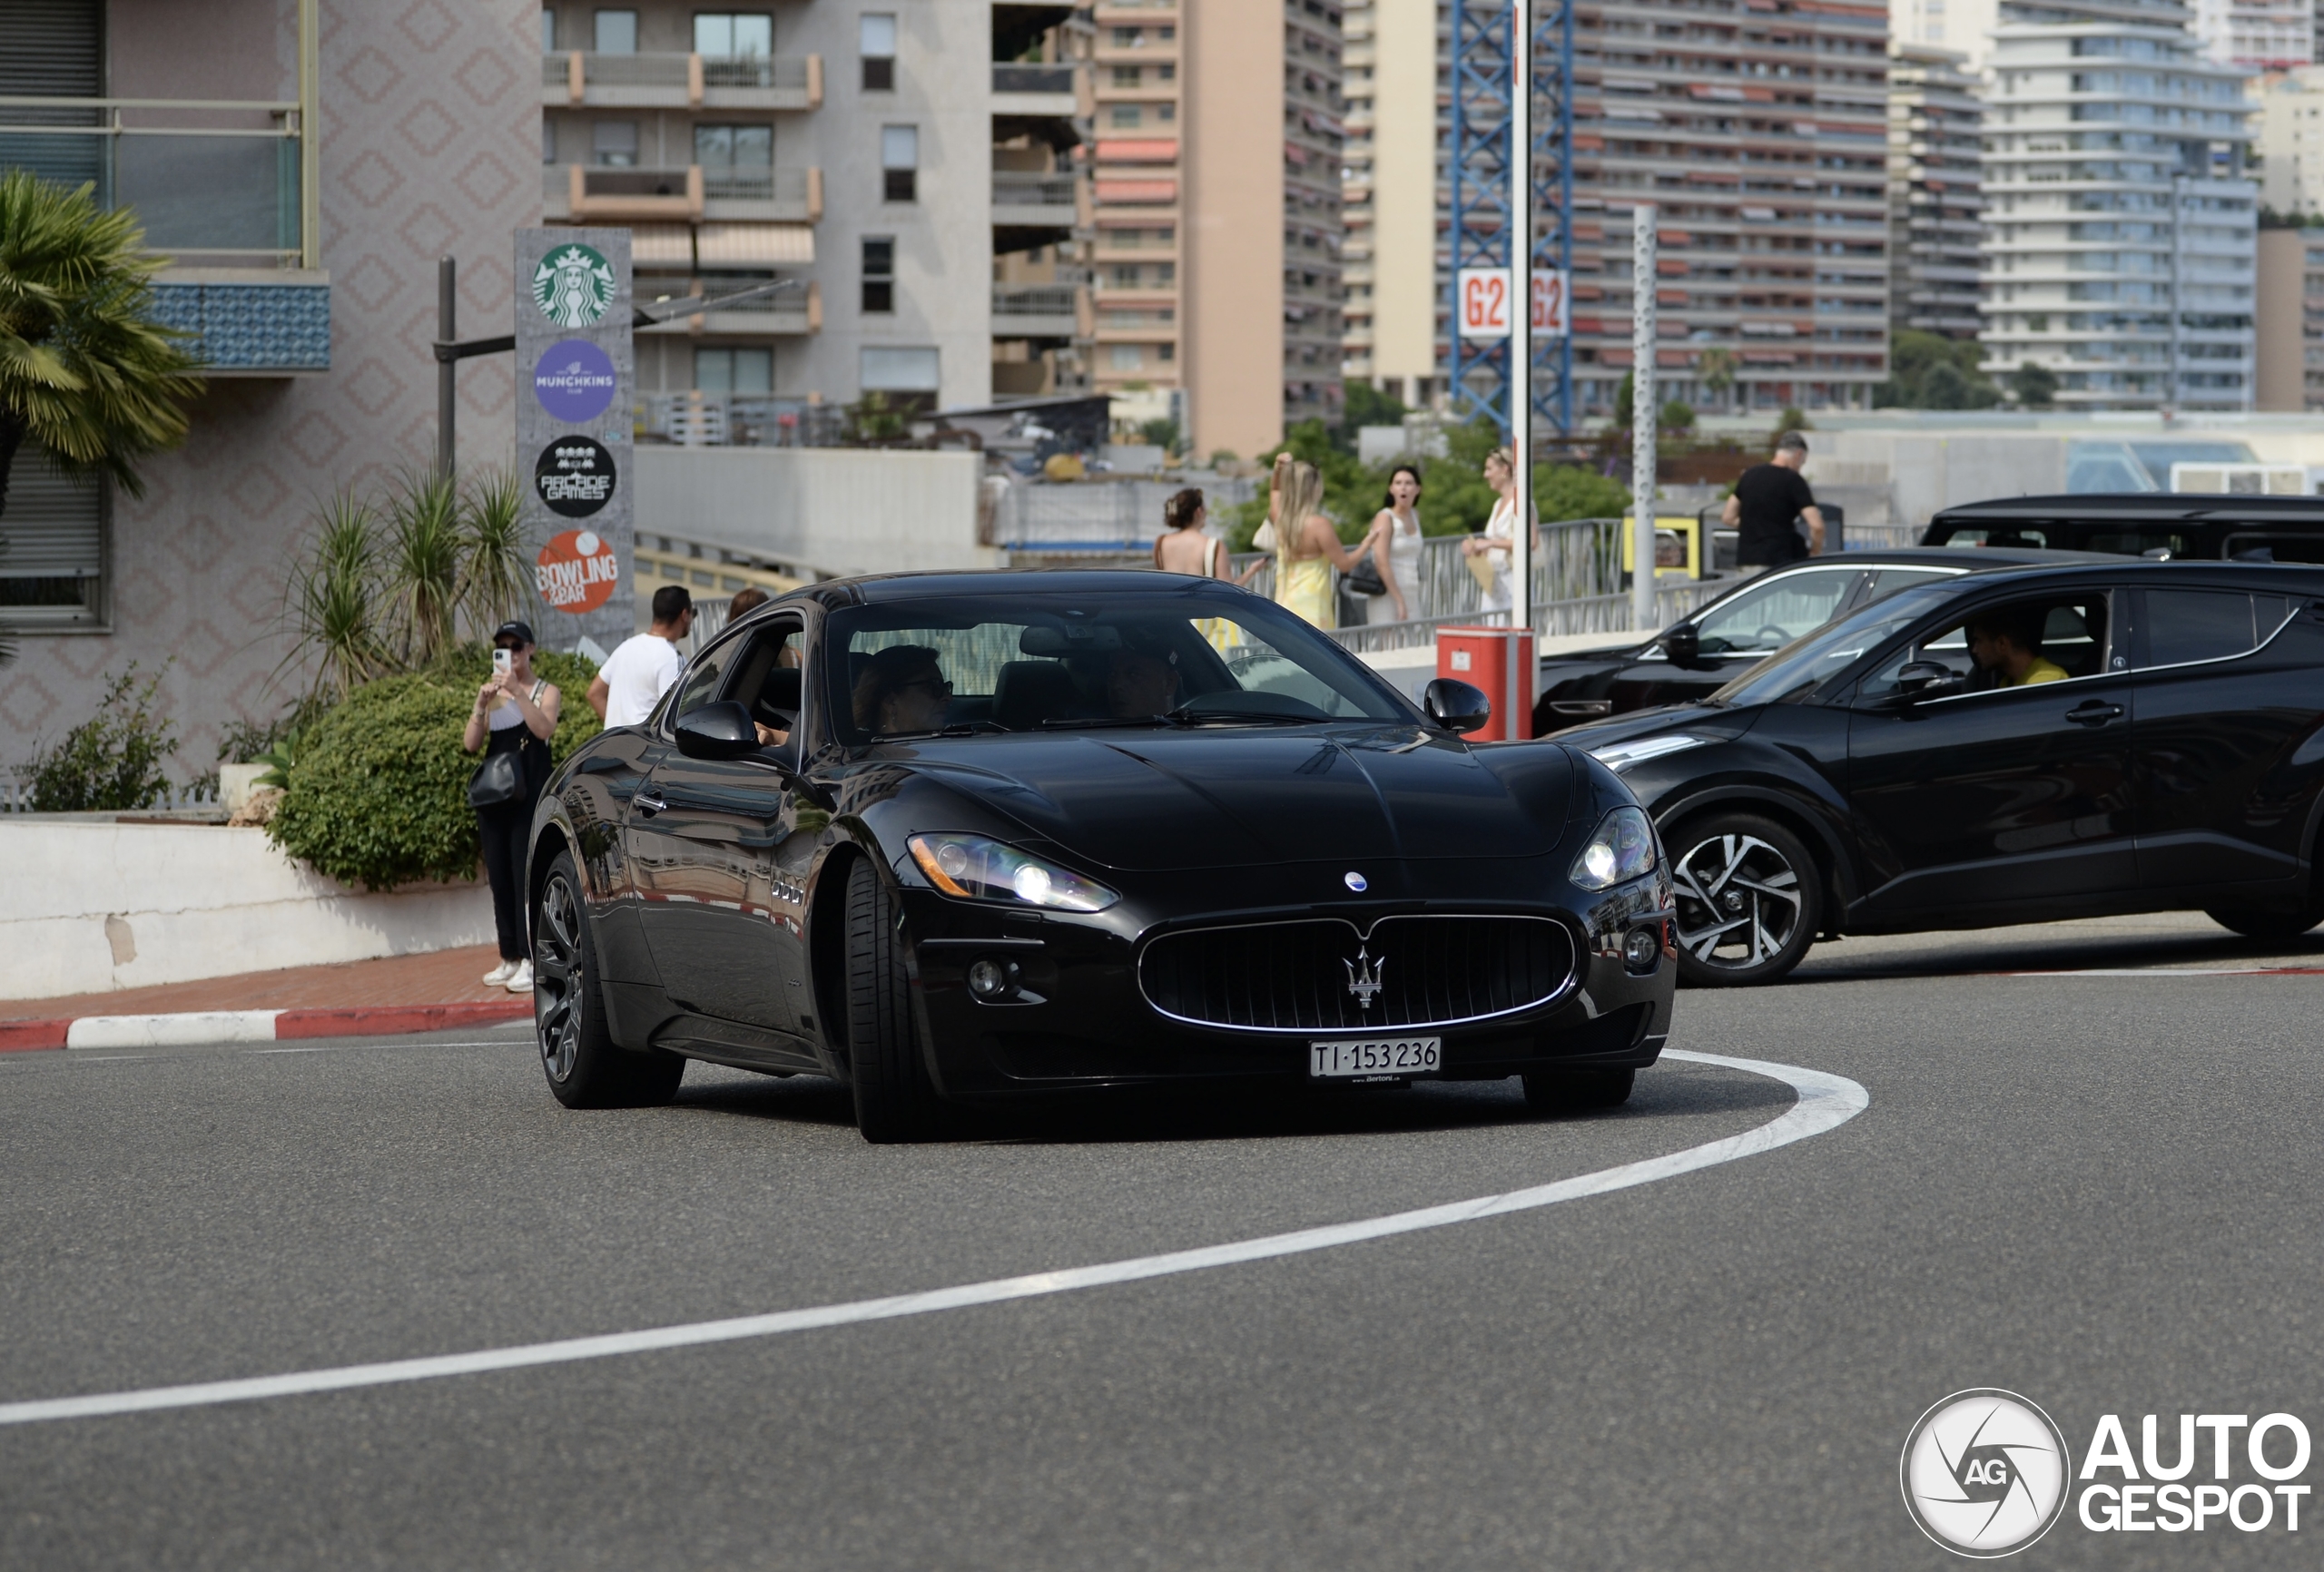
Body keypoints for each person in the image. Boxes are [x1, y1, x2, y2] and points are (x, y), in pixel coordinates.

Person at [463, 622, 563, 994]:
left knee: (524, 877)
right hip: (494, 799)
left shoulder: (544, 692)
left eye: (516, 646)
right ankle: (508, 956)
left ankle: (530, 957)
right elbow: (472, 744)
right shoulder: (495, 696)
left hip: (527, 797)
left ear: (531, 649)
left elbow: (543, 729)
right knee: (500, 877)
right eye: (503, 646)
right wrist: (480, 704)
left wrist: (518, 692)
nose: (510, 652)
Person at [1273, 459, 1370, 628]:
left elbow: (1274, 492)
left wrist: (1277, 472)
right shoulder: (1319, 525)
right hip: (1313, 604)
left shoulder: (1281, 520)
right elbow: (1344, 564)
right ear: (1313, 488)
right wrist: (1367, 544)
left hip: (1285, 602)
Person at [1723, 431, 1826, 577]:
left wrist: (1754, 525)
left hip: (1746, 561)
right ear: (1798, 454)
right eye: (1802, 463)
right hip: (1778, 564)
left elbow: (1728, 517)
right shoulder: (1793, 480)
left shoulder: (1749, 475)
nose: (1800, 468)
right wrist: (1815, 552)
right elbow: (1817, 526)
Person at [588, 585, 693, 727]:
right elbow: (674, 716)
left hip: (613, 745)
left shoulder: (626, 647)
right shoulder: (671, 657)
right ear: (685, 615)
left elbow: (594, 693)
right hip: (645, 748)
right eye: (693, 613)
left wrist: (617, 729)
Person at [1462, 447, 1541, 615]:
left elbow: (1531, 542)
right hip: (1494, 581)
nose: (1486, 475)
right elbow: (1495, 544)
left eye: (1490, 469)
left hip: (1513, 579)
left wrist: (1491, 542)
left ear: (1505, 469)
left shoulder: (1522, 502)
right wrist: (1476, 549)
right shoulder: (1498, 504)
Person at [1362, 464, 1423, 624]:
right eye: (1398, 483)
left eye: (1408, 483)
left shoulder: (1415, 515)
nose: (1403, 488)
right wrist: (1399, 599)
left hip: (1411, 588)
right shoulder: (1385, 517)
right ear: (1391, 489)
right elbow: (1381, 562)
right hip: (1388, 592)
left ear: (1417, 489)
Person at [852, 644, 951, 734]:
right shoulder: (861, 753)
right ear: (890, 701)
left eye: (944, 686)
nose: (948, 697)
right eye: (933, 686)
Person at [1966, 606, 2067, 687]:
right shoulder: (2007, 682)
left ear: (2002, 644)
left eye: (1979, 641)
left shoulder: (2045, 681)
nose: (1974, 650)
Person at [1154, 488, 1234, 581]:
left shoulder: (1161, 542)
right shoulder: (1214, 545)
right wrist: (1250, 571)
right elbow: (1229, 588)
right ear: (1198, 511)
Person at [1106, 647, 1181, 718]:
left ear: (1169, 683)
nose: (1116, 685)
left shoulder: (1189, 728)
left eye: (1133, 674)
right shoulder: (1097, 728)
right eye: (1112, 675)